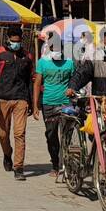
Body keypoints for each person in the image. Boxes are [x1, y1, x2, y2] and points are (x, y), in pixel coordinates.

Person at [0, 28, 34, 180]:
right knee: (3, 133)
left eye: (18, 41)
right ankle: (7, 154)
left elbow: (30, 80)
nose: (15, 44)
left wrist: (32, 102)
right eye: (13, 41)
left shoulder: (27, 57)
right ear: (8, 39)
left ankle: (18, 167)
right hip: (3, 99)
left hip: (21, 98)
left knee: (19, 133)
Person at [33, 40, 76, 181]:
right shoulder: (43, 62)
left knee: (67, 134)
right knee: (51, 135)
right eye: (53, 47)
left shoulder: (70, 62)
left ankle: (68, 162)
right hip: (49, 104)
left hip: (66, 103)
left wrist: (73, 92)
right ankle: (55, 164)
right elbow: (37, 83)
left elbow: (75, 80)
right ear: (49, 48)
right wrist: (35, 106)